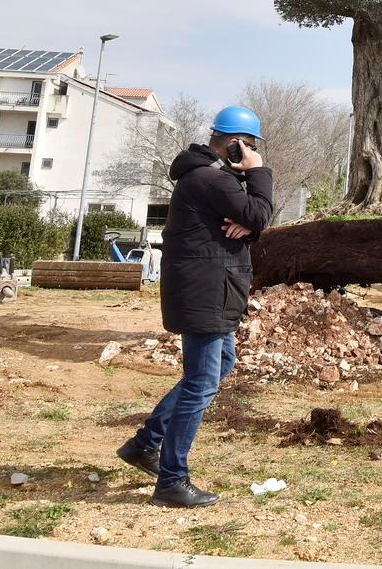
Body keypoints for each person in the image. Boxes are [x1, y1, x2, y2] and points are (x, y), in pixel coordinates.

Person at [117, 105, 272, 509]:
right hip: (206, 295)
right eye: (249, 146)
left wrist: (250, 224)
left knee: (219, 367)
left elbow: (247, 222)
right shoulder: (211, 178)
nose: (252, 153)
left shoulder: (209, 178)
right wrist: (258, 173)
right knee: (201, 383)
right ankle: (171, 481)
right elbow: (259, 213)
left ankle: (144, 444)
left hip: (209, 291)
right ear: (236, 144)